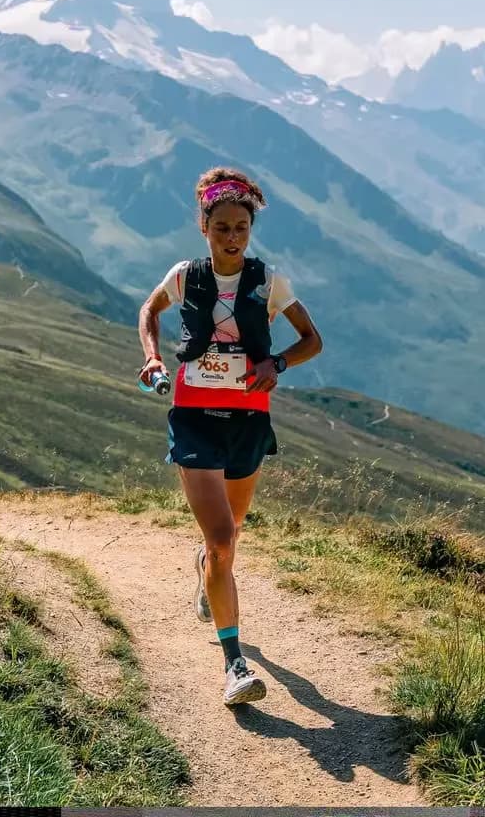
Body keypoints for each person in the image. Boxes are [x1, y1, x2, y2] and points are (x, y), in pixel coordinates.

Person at [137, 166, 323, 706]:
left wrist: (279, 363)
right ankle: (234, 666)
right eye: (222, 227)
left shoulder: (269, 281)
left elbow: (312, 339)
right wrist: (151, 357)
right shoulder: (184, 276)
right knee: (221, 540)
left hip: (248, 421)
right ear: (204, 227)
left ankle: (206, 572)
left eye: (241, 226)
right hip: (194, 417)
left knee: (231, 535)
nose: (233, 236)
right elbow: (150, 310)